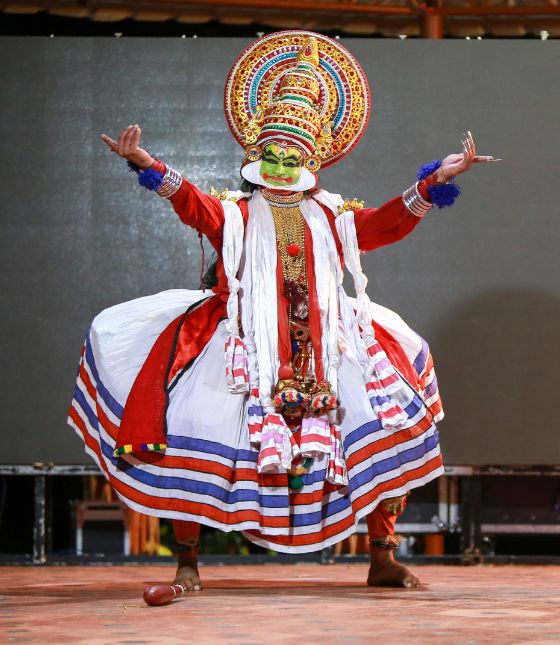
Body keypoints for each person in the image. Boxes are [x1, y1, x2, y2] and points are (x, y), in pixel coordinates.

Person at [67, 30, 494, 590]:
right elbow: (193, 205)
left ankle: (383, 556)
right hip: (245, 341)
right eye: (271, 153)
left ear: (311, 158)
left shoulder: (334, 217)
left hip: (326, 341)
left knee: (386, 423)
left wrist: (435, 180)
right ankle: (188, 561)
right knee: (192, 423)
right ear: (255, 154)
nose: (282, 164)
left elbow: (388, 222)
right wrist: (148, 165)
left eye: (292, 155)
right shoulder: (236, 214)